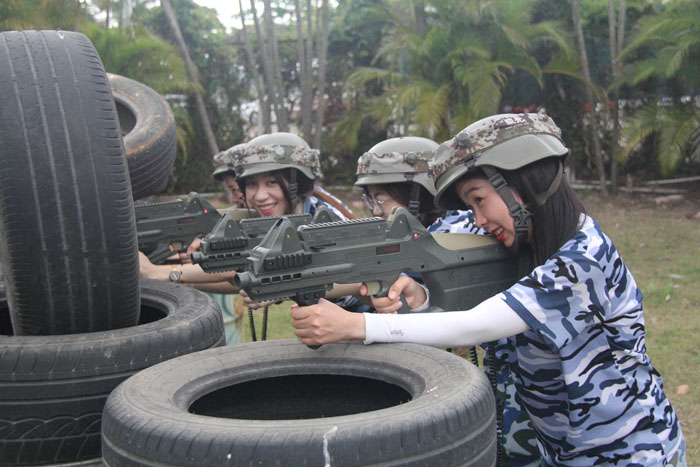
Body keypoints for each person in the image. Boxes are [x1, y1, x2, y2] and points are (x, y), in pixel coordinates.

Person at [289, 113, 686, 465]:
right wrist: (421, 297)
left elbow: (476, 325)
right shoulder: (528, 247)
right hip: (564, 449)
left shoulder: (583, 259)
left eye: (479, 200)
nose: (476, 220)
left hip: (629, 450)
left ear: (526, 183)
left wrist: (356, 327)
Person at [356, 135, 540, 465]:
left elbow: (471, 325)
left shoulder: (461, 231)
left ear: (414, 195)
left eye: (380, 197)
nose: (376, 210)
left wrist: (358, 324)